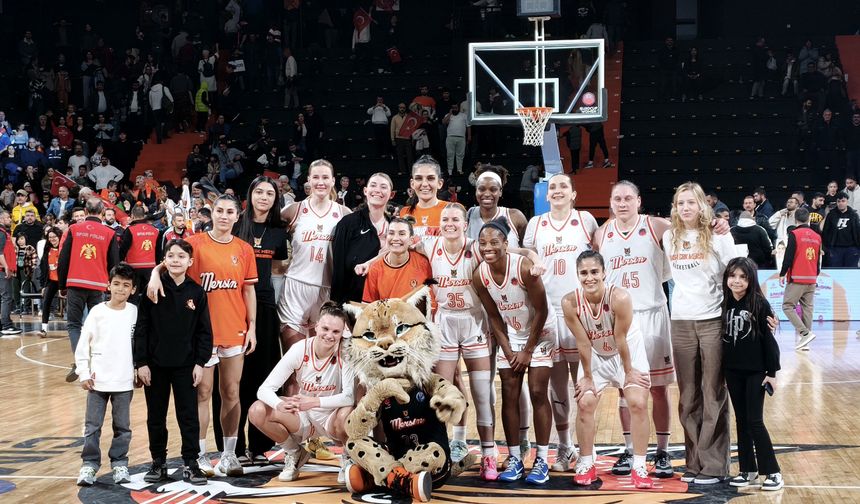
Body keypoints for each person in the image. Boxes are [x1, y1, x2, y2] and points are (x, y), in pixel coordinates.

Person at [147, 194, 258, 477]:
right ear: (212, 213)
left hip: (235, 328)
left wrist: (253, 326)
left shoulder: (244, 249)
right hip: (202, 334)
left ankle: (230, 454)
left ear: (237, 216)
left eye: (229, 211)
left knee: (231, 392)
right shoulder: (196, 242)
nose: (224, 215)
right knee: (203, 394)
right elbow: (171, 259)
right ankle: (198, 455)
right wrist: (154, 274)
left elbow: (248, 289)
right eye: (219, 210)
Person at [592, 180, 677, 478]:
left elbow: (689, 236)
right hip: (620, 320)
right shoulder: (601, 234)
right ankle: (629, 449)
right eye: (617, 198)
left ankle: (663, 451)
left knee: (657, 388)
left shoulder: (657, 226)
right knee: (624, 390)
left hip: (652, 314)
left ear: (639, 201)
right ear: (611, 202)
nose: (623, 203)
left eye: (628, 198)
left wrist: (715, 226)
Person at [663, 182, 738, 484]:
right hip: (680, 320)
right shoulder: (670, 236)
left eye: (691, 202)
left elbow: (735, 273)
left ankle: (714, 465)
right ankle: (693, 461)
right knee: (688, 397)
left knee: (713, 393)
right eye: (680, 203)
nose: (685, 208)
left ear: (702, 206)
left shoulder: (719, 236)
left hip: (712, 319)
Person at [523, 173, 598, 473]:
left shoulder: (586, 220)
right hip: (548, 311)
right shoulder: (535, 224)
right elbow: (524, 256)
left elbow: (599, 259)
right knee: (556, 386)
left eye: (562, 186)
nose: (557, 191)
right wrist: (531, 255)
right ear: (546, 194)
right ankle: (564, 447)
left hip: (581, 310)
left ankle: (585, 449)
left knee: (583, 384)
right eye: (552, 187)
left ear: (573, 194)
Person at [472, 218, 556, 485]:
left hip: (540, 332)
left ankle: (542, 458)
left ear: (506, 244)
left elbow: (541, 311)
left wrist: (528, 351)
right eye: (483, 243)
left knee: (538, 391)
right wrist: (508, 350)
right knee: (509, 392)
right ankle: (516, 458)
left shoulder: (523, 267)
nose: (488, 247)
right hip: (512, 334)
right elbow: (494, 316)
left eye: (494, 242)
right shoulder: (479, 275)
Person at [563, 251, 653, 489]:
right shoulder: (569, 302)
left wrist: (629, 372)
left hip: (626, 351)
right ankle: (586, 462)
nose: (589, 278)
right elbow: (582, 342)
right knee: (585, 402)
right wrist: (588, 378)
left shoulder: (620, 297)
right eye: (584, 273)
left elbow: (620, 338)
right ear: (577, 275)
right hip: (596, 354)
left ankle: (640, 465)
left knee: (637, 402)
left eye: (594, 272)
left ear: (604, 273)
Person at [135, 239, 213, 485]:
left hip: (186, 366)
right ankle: (158, 462)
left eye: (181, 257)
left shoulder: (197, 292)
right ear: (164, 261)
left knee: (188, 416)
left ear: (190, 262)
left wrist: (200, 363)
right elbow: (142, 329)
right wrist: (141, 363)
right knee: (155, 417)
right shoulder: (152, 289)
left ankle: (191, 463)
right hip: (155, 366)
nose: (176, 260)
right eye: (171, 256)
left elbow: (204, 332)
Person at [249, 302, 354, 483]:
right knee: (257, 411)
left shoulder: (346, 351)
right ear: (316, 325)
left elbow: (349, 396)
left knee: (348, 413)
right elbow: (264, 389)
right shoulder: (300, 349)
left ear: (343, 332)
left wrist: (313, 402)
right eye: (326, 329)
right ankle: (294, 452)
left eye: (336, 332)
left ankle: (347, 457)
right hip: (303, 417)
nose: (329, 335)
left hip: (332, 417)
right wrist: (279, 404)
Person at [233, 176, 289, 463]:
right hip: (234, 306)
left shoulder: (279, 232)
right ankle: (233, 444)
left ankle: (258, 444)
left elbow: (277, 269)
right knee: (235, 379)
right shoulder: (235, 224)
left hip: (265, 307)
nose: (264, 197)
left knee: (263, 375)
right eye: (259, 192)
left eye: (270, 193)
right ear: (250, 194)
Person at [722, 257, 784, 491]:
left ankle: (774, 472)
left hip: (756, 372)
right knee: (741, 421)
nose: (736, 281)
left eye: (742, 277)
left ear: (751, 280)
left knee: (755, 421)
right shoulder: (725, 302)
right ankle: (748, 470)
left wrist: (772, 372)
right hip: (732, 371)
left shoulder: (760, 303)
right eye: (733, 276)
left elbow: (769, 341)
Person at [74, 263, 138, 487]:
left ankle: (120, 463)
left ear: (133, 289)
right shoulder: (97, 312)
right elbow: (83, 344)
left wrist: (137, 369)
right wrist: (83, 372)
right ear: (108, 285)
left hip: (124, 380)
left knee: (123, 427)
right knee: (92, 426)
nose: (120, 289)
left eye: (126, 285)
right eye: (117, 284)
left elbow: (138, 345)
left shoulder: (134, 313)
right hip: (97, 380)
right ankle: (89, 465)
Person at [278, 160, 350, 351]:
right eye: (316, 177)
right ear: (309, 180)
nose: (320, 182)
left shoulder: (344, 214)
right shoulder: (294, 210)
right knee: (295, 363)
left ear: (333, 181)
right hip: (295, 287)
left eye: (325, 177)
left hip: (327, 291)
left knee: (320, 362)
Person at [58, 198, 120, 382]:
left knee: (74, 325)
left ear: (85, 211)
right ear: (102, 212)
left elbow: (63, 259)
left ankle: (80, 362)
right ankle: (98, 364)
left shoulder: (74, 229)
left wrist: (62, 285)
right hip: (98, 285)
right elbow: (114, 263)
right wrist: (111, 285)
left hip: (75, 283)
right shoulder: (109, 232)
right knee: (98, 327)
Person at [331, 173, 393, 304]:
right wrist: (336, 303)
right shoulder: (348, 223)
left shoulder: (397, 227)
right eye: (373, 185)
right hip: (354, 301)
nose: (377, 190)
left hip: (388, 299)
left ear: (391, 194)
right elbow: (338, 265)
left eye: (383, 187)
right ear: (365, 191)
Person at [780, 207, 823, 352]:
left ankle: (805, 333)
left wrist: (782, 273)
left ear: (795, 219)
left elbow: (789, 256)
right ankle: (805, 343)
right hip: (811, 277)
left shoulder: (794, 234)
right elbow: (818, 259)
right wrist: (815, 274)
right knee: (807, 308)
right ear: (809, 219)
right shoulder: (817, 236)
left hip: (797, 277)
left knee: (787, 306)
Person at [361, 217, 433, 303]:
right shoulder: (375, 268)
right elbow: (369, 306)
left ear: (411, 240)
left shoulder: (423, 263)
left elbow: (431, 300)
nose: (395, 238)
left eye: (402, 234)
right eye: (391, 233)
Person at [399, 156, 447, 245]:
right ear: (412, 183)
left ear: (440, 183)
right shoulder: (404, 213)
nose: (424, 184)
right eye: (419, 178)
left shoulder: (451, 210)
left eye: (430, 178)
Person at [120, 206, 160, 299]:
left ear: (132, 216)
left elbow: (123, 249)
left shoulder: (130, 230)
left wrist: (120, 263)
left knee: (133, 296)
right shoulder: (155, 230)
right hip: (151, 268)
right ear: (144, 215)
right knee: (150, 297)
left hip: (133, 268)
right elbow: (158, 251)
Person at [822, 193, 860, 267]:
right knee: (835, 273)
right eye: (839, 201)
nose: (841, 203)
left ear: (847, 202)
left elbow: (858, 232)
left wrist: (857, 248)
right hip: (835, 249)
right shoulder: (831, 215)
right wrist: (827, 248)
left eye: (843, 201)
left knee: (851, 273)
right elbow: (826, 232)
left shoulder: (854, 215)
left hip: (852, 249)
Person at [37, 227, 62, 337]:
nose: (52, 239)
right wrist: (43, 285)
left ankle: (76, 327)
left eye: (54, 237)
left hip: (63, 281)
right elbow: (43, 268)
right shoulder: (47, 250)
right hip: (51, 281)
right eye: (50, 237)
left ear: (59, 237)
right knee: (46, 302)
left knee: (71, 305)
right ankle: (44, 329)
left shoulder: (64, 248)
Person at [0, 211, 21, 336]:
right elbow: (0, 253)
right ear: (1, 218)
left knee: (3, 297)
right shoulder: (1, 233)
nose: (10, 219)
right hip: (2, 270)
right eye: (8, 217)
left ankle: (4, 323)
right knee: (6, 297)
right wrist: (7, 267)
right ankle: (6, 325)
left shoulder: (4, 232)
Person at [443, 103, 470, 175]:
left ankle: (459, 170)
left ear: (458, 108)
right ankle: (450, 171)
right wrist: (449, 114)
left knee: (460, 155)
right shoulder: (448, 115)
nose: (455, 109)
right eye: (453, 108)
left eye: (456, 108)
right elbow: (444, 122)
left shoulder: (464, 116)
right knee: (450, 154)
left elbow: (468, 126)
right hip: (450, 137)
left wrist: (469, 136)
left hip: (461, 137)